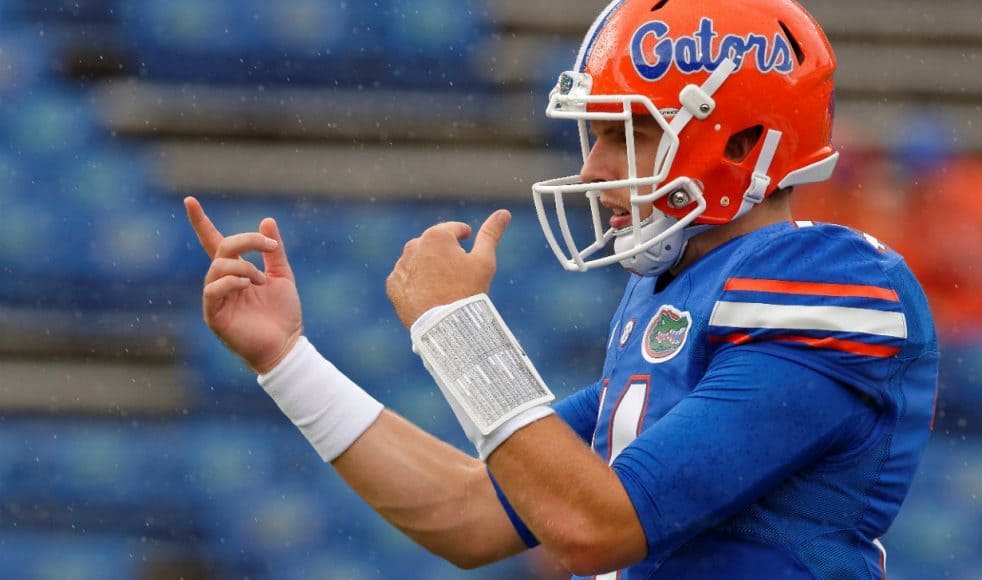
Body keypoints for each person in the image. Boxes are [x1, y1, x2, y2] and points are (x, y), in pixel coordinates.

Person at [185, 0, 939, 578]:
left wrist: (456, 326)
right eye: (597, 134)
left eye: (630, 134)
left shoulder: (824, 282)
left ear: (744, 144)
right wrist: (285, 359)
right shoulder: (668, 293)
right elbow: (469, 513)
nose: (593, 167)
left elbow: (594, 526)